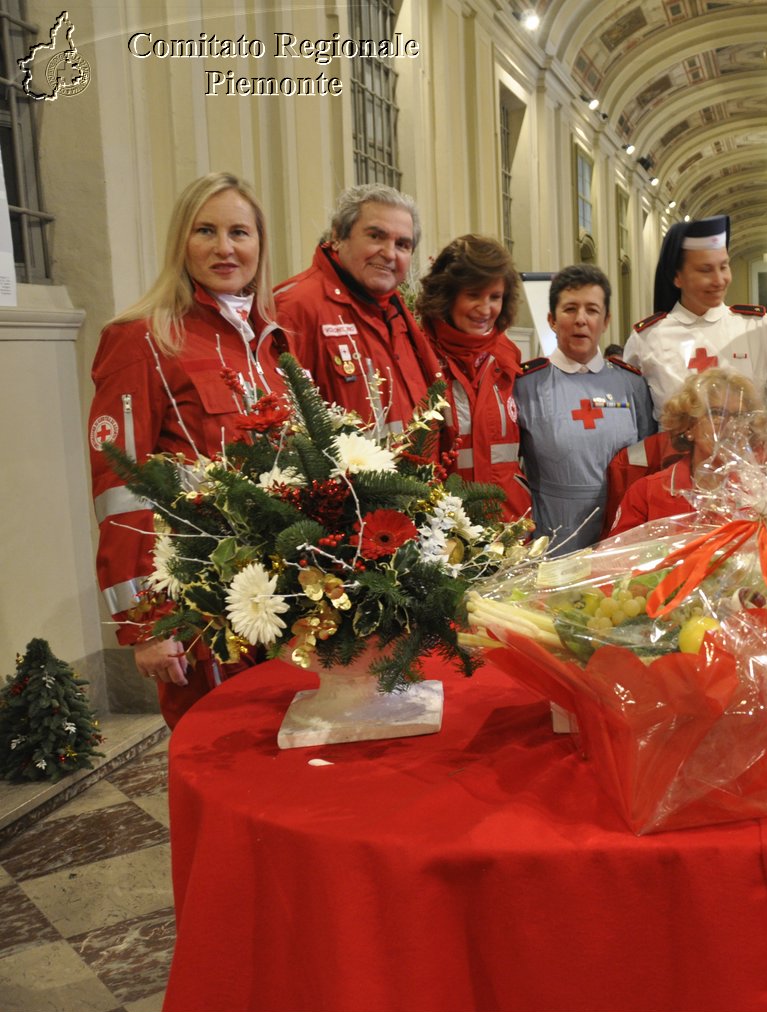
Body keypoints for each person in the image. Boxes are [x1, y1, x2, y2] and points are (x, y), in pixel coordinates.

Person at [86, 172, 290, 728]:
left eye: (239, 233)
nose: (225, 248)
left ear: (260, 245)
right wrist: (148, 624)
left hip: (282, 594)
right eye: (206, 231)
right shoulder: (142, 338)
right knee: (221, 751)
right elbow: (119, 492)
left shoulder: (270, 341)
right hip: (201, 602)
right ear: (182, 242)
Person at [274, 183, 441, 436]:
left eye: (402, 245)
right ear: (338, 237)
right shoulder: (294, 308)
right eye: (376, 236)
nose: (389, 254)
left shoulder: (397, 315)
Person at [515, 264, 654, 553]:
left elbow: (646, 461)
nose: (581, 320)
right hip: (552, 536)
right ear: (552, 319)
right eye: (570, 309)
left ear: (606, 321)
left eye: (592, 310)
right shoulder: (525, 385)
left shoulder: (631, 385)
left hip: (618, 531)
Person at [416, 234, 530, 520]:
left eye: (495, 297)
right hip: (445, 529)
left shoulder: (508, 355)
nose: (486, 309)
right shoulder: (419, 357)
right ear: (447, 295)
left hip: (509, 521)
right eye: (473, 295)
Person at [623, 215, 767, 411]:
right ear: (677, 277)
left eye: (723, 266)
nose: (719, 280)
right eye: (705, 270)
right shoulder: (648, 338)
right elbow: (635, 416)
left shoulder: (756, 327)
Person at [610, 368, 762, 535]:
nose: (731, 425)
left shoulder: (762, 494)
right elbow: (616, 556)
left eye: (740, 416)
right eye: (717, 414)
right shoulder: (645, 492)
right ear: (689, 426)